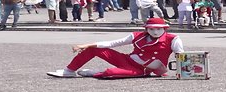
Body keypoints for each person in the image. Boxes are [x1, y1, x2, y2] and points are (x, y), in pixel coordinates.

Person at [47, 18, 183, 79]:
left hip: (142, 69)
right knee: (94, 49)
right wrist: (87, 45)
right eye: (151, 29)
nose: (155, 32)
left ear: (165, 29)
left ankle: (94, 73)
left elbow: (181, 56)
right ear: (146, 29)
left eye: (159, 29)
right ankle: (69, 71)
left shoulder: (173, 38)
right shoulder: (137, 35)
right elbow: (113, 43)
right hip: (127, 60)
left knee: (109, 72)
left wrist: (185, 72)